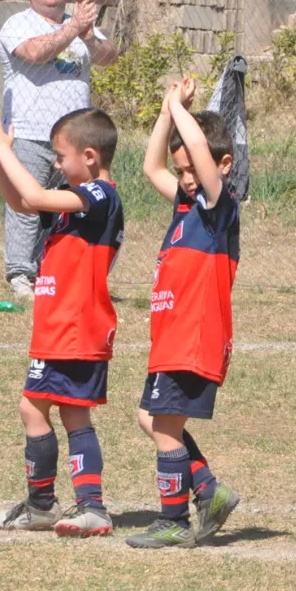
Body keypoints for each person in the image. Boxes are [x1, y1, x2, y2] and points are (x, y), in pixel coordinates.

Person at [0, 107, 124, 539]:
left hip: (77, 327)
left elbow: (37, 196)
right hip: (58, 326)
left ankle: (77, 506)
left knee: (55, 410)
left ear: (90, 156)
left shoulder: (100, 195)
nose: (57, 165)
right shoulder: (73, 198)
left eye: (61, 156)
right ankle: (56, 505)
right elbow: (24, 202)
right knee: (55, 410)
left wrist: (7, 152)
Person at [126, 78, 242, 549]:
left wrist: (179, 109)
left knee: (164, 426)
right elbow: (151, 166)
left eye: (194, 169)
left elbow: (196, 147)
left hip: (193, 339)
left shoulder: (218, 207)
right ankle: (209, 490)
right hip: (172, 338)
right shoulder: (186, 205)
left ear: (222, 165)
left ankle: (173, 519)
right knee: (150, 418)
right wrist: (164, 113)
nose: (187, 177)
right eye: (183, 171)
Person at [0, 0, 118, 298]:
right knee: (26, 203)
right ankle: (20, 273)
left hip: (75, 139)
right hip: (30, 131)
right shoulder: (18, 24)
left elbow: (109, 58)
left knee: (69, 206)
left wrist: (89, 36)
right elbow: (35, 53)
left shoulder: (77, 25)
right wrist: (75, 26)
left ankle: (53, 270)